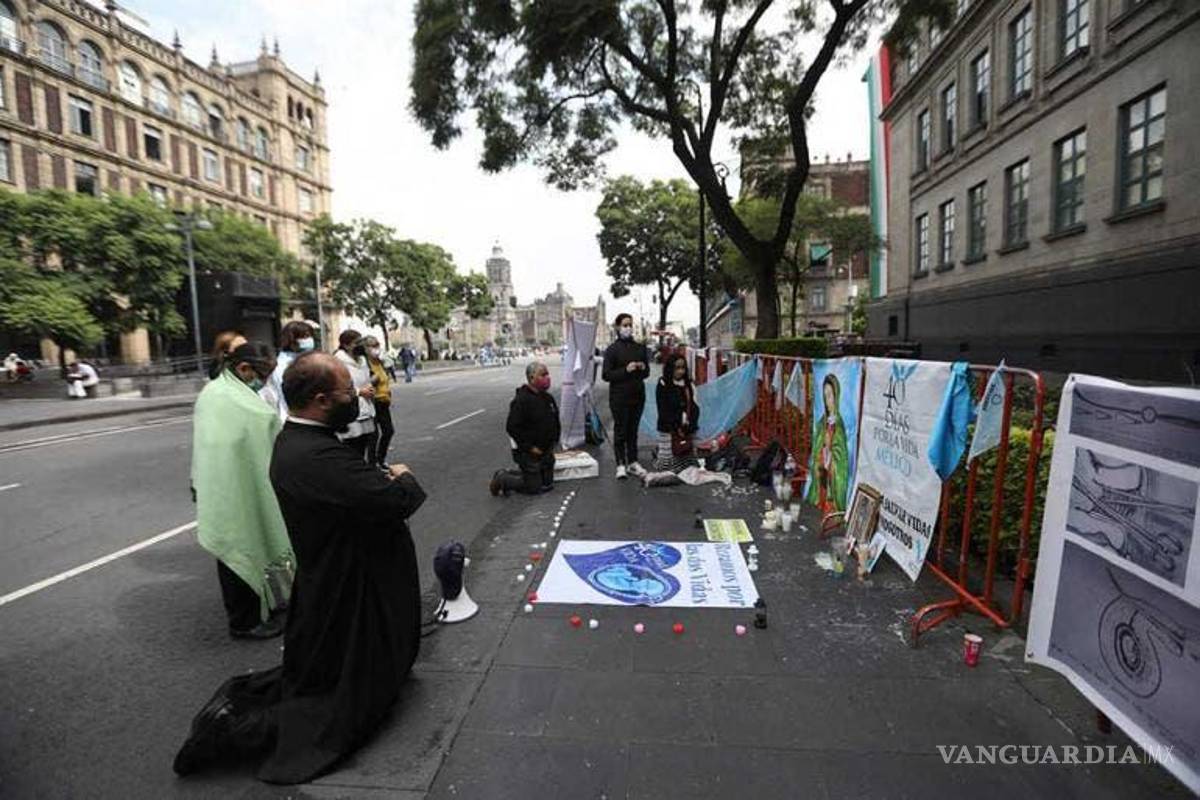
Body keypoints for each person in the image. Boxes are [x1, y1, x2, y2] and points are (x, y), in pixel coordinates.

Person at [173, 352, 427, 784]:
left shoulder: (306, 442)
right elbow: (398, 501)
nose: (356, 397)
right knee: (338, 702)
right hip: (349, 587)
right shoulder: (315, 456)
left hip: (342, 577)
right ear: (323, 399)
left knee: (342, 674)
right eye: (349, 391)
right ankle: (234, 729)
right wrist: (402, 476)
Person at [190, 341, 292, 640]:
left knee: (258, 540)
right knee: (240, 547)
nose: (263, 381)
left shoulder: (225, 392)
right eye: (261, 374)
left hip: (237, 482)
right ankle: (244, 622)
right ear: (243, 368)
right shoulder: (224, 397)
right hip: (228, 489)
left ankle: (264, 603)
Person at [490, 361, 560, 496]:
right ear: (532, 378)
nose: (547, 378)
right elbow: (512, 427)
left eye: (547, 374)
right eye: (543, 375)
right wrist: (529, 447)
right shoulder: (522, 400)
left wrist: (555, 440)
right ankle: (502, 479)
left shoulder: (548, 398)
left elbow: (554, 421)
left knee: (547, 485)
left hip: (546, 451)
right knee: (534, 488)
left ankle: (518, 473)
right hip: (529, 452)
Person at [602, 313, 650, 480]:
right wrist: (625, 370)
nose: (628, 328)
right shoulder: (612, 350)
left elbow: (647, 373)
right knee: (620, 430)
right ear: (617, 327)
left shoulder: (639, 348)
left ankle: (633, 462)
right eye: (624, 325)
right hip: (619, 397)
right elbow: (606, 375)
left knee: (633, 431)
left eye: (630, 324)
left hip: (637, 395)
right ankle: (620, 464)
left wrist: (642, 367)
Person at [805, 373, 851, 512]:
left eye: (830, 396)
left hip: (830, 473)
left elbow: (841, 459)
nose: (827, 401)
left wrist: (830, 453)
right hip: (821, 471)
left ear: (836, 396)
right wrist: (821, 454)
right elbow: (817, 449)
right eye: (825, 397)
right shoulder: (821, 423)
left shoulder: (839, 424)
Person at [333, 329, 377, 462]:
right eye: (356, 343)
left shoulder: (362, 360)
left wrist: (370, 387)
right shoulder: (338, 361)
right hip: (350, 411)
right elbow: (336, 387)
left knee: (365, 445)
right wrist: (359, 392)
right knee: (352, 449)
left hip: (366, 409)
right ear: (346, 345)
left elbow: (366, 379)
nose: (360, 345)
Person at [653, 353, 701, 473]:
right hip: (669, 428)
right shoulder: (663, 383)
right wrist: (676, 423)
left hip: (688, 428)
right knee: (666, 467)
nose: (680, 371)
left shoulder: (689, 384)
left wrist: (690, 423)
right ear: (670, 368)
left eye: (683, 368)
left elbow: (695, 406)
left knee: (688, 463)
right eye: (677, 368)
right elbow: (663, 408)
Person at [262, 321, 316, 419]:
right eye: (305, 337)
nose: (310, 340)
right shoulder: (282, 366)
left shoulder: (304, 360)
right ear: (292, 340)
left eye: (310, 336)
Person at [362, 335, 394, 467]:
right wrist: (372, 380)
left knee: (388, 431)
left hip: (384, 401)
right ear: (366, 348)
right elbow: (364, 382)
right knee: (373, 435)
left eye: (377, 345)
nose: (376, 349)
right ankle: (372, 463)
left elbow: (388, 369)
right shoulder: (364, 363)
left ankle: (381, 459)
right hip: (372, 402)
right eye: (372, 346)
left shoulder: (380, 362)